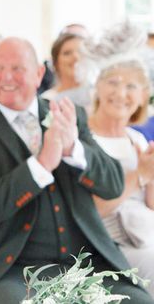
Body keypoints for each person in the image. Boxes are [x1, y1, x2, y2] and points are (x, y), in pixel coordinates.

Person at [0, 36, 151, 303]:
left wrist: (74, 150)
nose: (7, 76)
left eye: (18, 68)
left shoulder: (67, 113)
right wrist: (41, 165)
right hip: (11, 269)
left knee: (139, 301)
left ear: (39, 73)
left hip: (85, 261)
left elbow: (112, 184)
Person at [85, 23, 154, 295]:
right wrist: (139, 175)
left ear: (141, 97)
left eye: (131, 86)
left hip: (144, 235)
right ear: (98, 88)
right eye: (112, 83)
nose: (121, 93)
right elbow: (88, 211)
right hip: (107, 245)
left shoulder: (135, 139)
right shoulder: (85, 138)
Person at [41, 32, 91, 108]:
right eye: (67, 53)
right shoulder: (47, 100)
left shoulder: (99, 94)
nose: (76, 57)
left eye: (80, 51)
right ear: (55, 63)